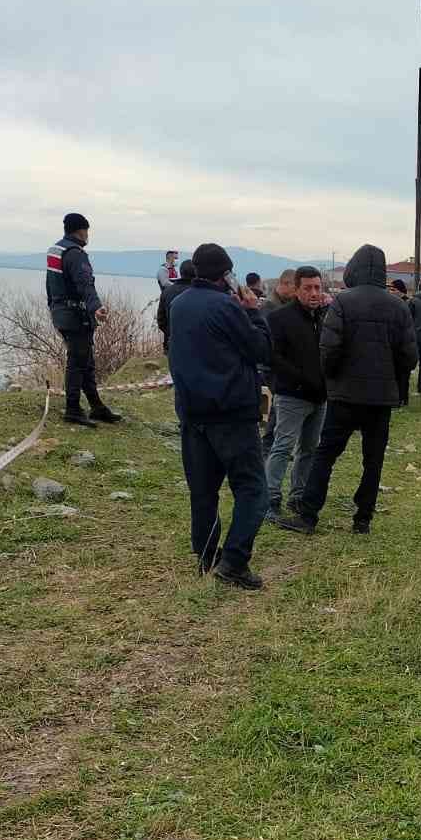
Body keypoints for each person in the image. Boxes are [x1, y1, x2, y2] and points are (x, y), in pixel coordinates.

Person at [280, 245, 417, 537]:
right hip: (381, 398)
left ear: (354, 269)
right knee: (373, 459)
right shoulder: (399, 306)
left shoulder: (343, 303)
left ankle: (308, 515)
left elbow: (328, 350)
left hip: (344, 395)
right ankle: (362, 519)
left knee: (325, 454)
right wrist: (393, 378)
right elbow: (409, 356)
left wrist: (332, 379)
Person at [168, 243, 272, 589]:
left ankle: (206, 559)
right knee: (253, 489)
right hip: (231, 414)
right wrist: (254, 311)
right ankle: (234, 562)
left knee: (203, 491)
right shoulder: (227, 306)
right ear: (226, 274)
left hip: (192, 414)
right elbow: (260, 349)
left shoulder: (178, 303)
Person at [45, 212, 122, 429]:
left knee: (85, 361)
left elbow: (50, 286)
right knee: (78, 363)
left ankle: (97, 406)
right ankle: (72, 409)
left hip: (60, 312)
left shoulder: (55, 251)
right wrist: (96, 307)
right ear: (82, 230)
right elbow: (85, 284)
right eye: (87, 230)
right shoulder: (76, 254)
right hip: (76, 316)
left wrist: (53, 307)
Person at [264, 265, 328, 524]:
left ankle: (298, 494)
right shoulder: (280, 318)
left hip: (320, 396)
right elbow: (272, 357)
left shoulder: (324, 317)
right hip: (292, 395)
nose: (314, 293)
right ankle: (269, 498)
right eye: (308, 288)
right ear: (296, 289)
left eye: (317, 287)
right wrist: (300, 380)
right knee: (283, 446)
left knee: (309, 449)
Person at [260, 270, 298, 454]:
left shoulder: (282, 304)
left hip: (279, 363)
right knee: (277, 405)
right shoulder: (270, 307)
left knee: (278, 404)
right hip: (271, 364)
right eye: (295, 287)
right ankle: (269, 444)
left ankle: (271, 443)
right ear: (286, 284)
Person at [156, 258, 196, 352]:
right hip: (194, 345)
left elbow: (161, 320)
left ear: (181, 273)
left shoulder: (167, 292)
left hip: (171, 343)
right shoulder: (200, 293)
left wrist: (171, 334)